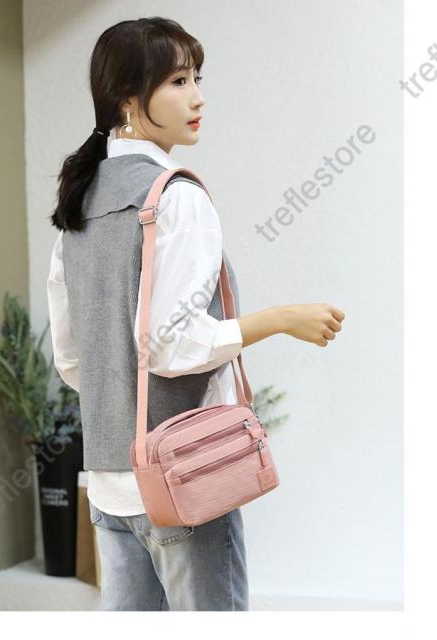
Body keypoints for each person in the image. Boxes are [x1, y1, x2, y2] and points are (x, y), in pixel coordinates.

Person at [46, 17, 345, 611]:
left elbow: (72, 359)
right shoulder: (176, 196)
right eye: (178, 81)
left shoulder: (76, 207)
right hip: (182, 479)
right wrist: (281, 318)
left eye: (196, 79)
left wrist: (119, 405)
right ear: (127, 99)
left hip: (107, 484)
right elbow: (171, 344)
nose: (198, 97)